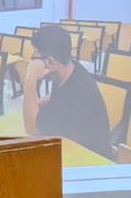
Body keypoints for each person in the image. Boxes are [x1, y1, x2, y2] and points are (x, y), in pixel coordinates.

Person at [20, 23, 118, 160]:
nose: (32, 61)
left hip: (90, 160)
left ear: (50, 62)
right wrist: (38, 102)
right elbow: (56, 95)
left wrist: (30, 79)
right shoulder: (69, 69)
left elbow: (31, 128)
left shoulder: (78, 95)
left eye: (35, 58)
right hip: (73, 148)